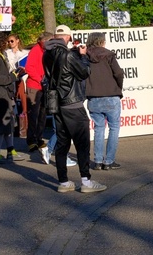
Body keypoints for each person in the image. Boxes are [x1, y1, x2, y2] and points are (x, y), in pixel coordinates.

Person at [43, 25, 106, 193]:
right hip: (72, 102)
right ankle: (86, 181)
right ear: (68, 37)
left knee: (62, 143)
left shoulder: (47, 53)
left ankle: (63, 181)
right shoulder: (66, 54)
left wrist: (75, 55)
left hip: (57, 103)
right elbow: (84, 72)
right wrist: (83, 57)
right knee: (82, 143)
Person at [0, 32, 27, 164]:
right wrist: (13, 77)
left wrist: (14, 73)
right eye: (5, 41)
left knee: (8, 124)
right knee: (0, 126)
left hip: (3, 94)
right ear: (0, 43)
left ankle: (11, 151)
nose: (7, 44)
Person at [84, 32, 125, 171]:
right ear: (102, 41)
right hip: (111, 95)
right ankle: (109, 161)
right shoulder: (108, 55)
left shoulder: (85, 56)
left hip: (93, 97)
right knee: (114, 128)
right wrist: (118, 87)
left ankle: (97, 161)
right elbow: (119, 73)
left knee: (99, 129)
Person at [25, 31, 52, 153]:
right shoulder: (35, 50)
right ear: (43, 41)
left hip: (44, 86)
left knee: (43, 113)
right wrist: (40, 78)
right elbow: (29, 68)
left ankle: (39, 138)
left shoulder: (47, 51)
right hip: (34, 86)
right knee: (33, 114)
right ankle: (31, 140)